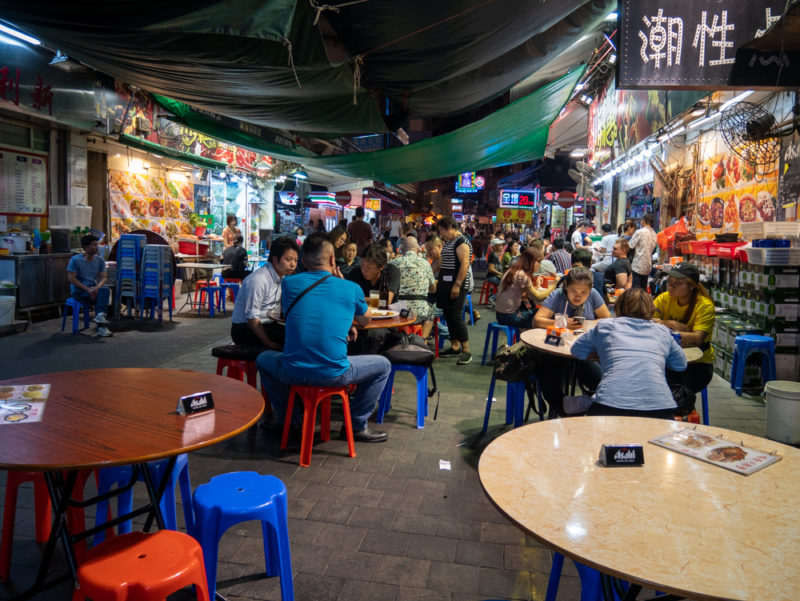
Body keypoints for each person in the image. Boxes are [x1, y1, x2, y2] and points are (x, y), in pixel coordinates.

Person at [256, 233, 390, 442]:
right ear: (332, 259)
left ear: (302, 261)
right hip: (333, 373)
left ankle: (289, 420)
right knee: (383, 365)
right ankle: (355, 425)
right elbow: (365, 320)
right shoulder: (350, 287)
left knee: (263, 359)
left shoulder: (289, 284)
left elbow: (315, 309)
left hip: (292, 370)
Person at [567, 288, 686, 418]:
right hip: (661, 407)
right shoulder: (662, 331)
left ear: (619, 306)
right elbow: (680, 364)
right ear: (651, 309)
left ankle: (583, 401)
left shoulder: (605, 326)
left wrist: (603, 354)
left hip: (610, 403)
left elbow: (577, 350)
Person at [533, 268, 611, 417]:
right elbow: (537, 320)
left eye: (584, 293)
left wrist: (587, 324)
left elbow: (606, 319)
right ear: (566, 286)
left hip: (582, 353)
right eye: (574, 291)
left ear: (590, 291)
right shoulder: (558, 295)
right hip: (556, 350)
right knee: (548, 383)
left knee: (601, 382)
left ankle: (589, 409)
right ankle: (567, 413)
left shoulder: (594, 295)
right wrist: (561, 324)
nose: (578, 296)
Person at [653, 262, 715, 396]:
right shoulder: (664, 298)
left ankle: (682, 413)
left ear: (691, 286)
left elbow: (697, 339)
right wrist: (673, 325)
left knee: (677, 393)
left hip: (698, 364)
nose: (671, 286)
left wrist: (664, 325)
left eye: (678, 283)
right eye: (670, 281)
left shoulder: (704, 306)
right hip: (668, 358)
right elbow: (648, 321)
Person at [230, 237, 299, 348]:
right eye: (289, 259)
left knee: (298, 335)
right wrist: (268, 343)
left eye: (295, 260)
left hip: (266, 324)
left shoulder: (281, 278)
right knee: (290, 341)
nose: (293, 264)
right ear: (275, 260)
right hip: (244, 329)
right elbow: (252, 318)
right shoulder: (259, 280)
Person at [434, 217, 473, 365]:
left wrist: (457, 285)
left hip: (457, 284)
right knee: (448, 314)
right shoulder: (449, 242)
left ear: (450, 227)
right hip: (445, 283)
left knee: (456, 316)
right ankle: (454, 346)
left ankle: (466, 350)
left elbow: (464, 263)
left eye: (442, 231)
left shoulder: (461, 241)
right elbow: (441, 262)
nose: (441, 235)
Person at [494, 248, 558, 330]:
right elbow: (538, 297)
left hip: (501, 315)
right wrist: (553, 285)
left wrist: (536, 286)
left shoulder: (513, 270)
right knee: (544, 316)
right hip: (509, 317)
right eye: (538, 262)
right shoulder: (522, 275)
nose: (539, 265)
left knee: (537, 312)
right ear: (531, 261)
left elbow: (525, 294)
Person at [66, 234, 112, 337]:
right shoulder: (75, 260)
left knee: (105, 290)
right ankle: (102, 328)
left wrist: (97, 287)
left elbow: (104, 277)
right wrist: (87, 289)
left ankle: (100, 317)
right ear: (86, 247)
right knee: (101, 300)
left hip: (93, 289)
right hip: (79, 291)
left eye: (97, 245)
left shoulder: (99, 260)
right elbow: (71, 278)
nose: (97, 247)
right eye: (94, 245)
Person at [391, 236, 436, 337]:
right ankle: (422, 342)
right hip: (420, 313)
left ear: (401, 249)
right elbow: (433, 290)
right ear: (418, 249)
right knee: (430, 312)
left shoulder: (393, 263)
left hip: (398, 311)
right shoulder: (426, 264)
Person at [629, 213, 658, 289]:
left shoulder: (640, 232)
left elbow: (630, 245)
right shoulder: (654, 234)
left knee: (636, 290)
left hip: (638, 265)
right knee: (643, 289)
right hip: (648, 265)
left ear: (644, 221)